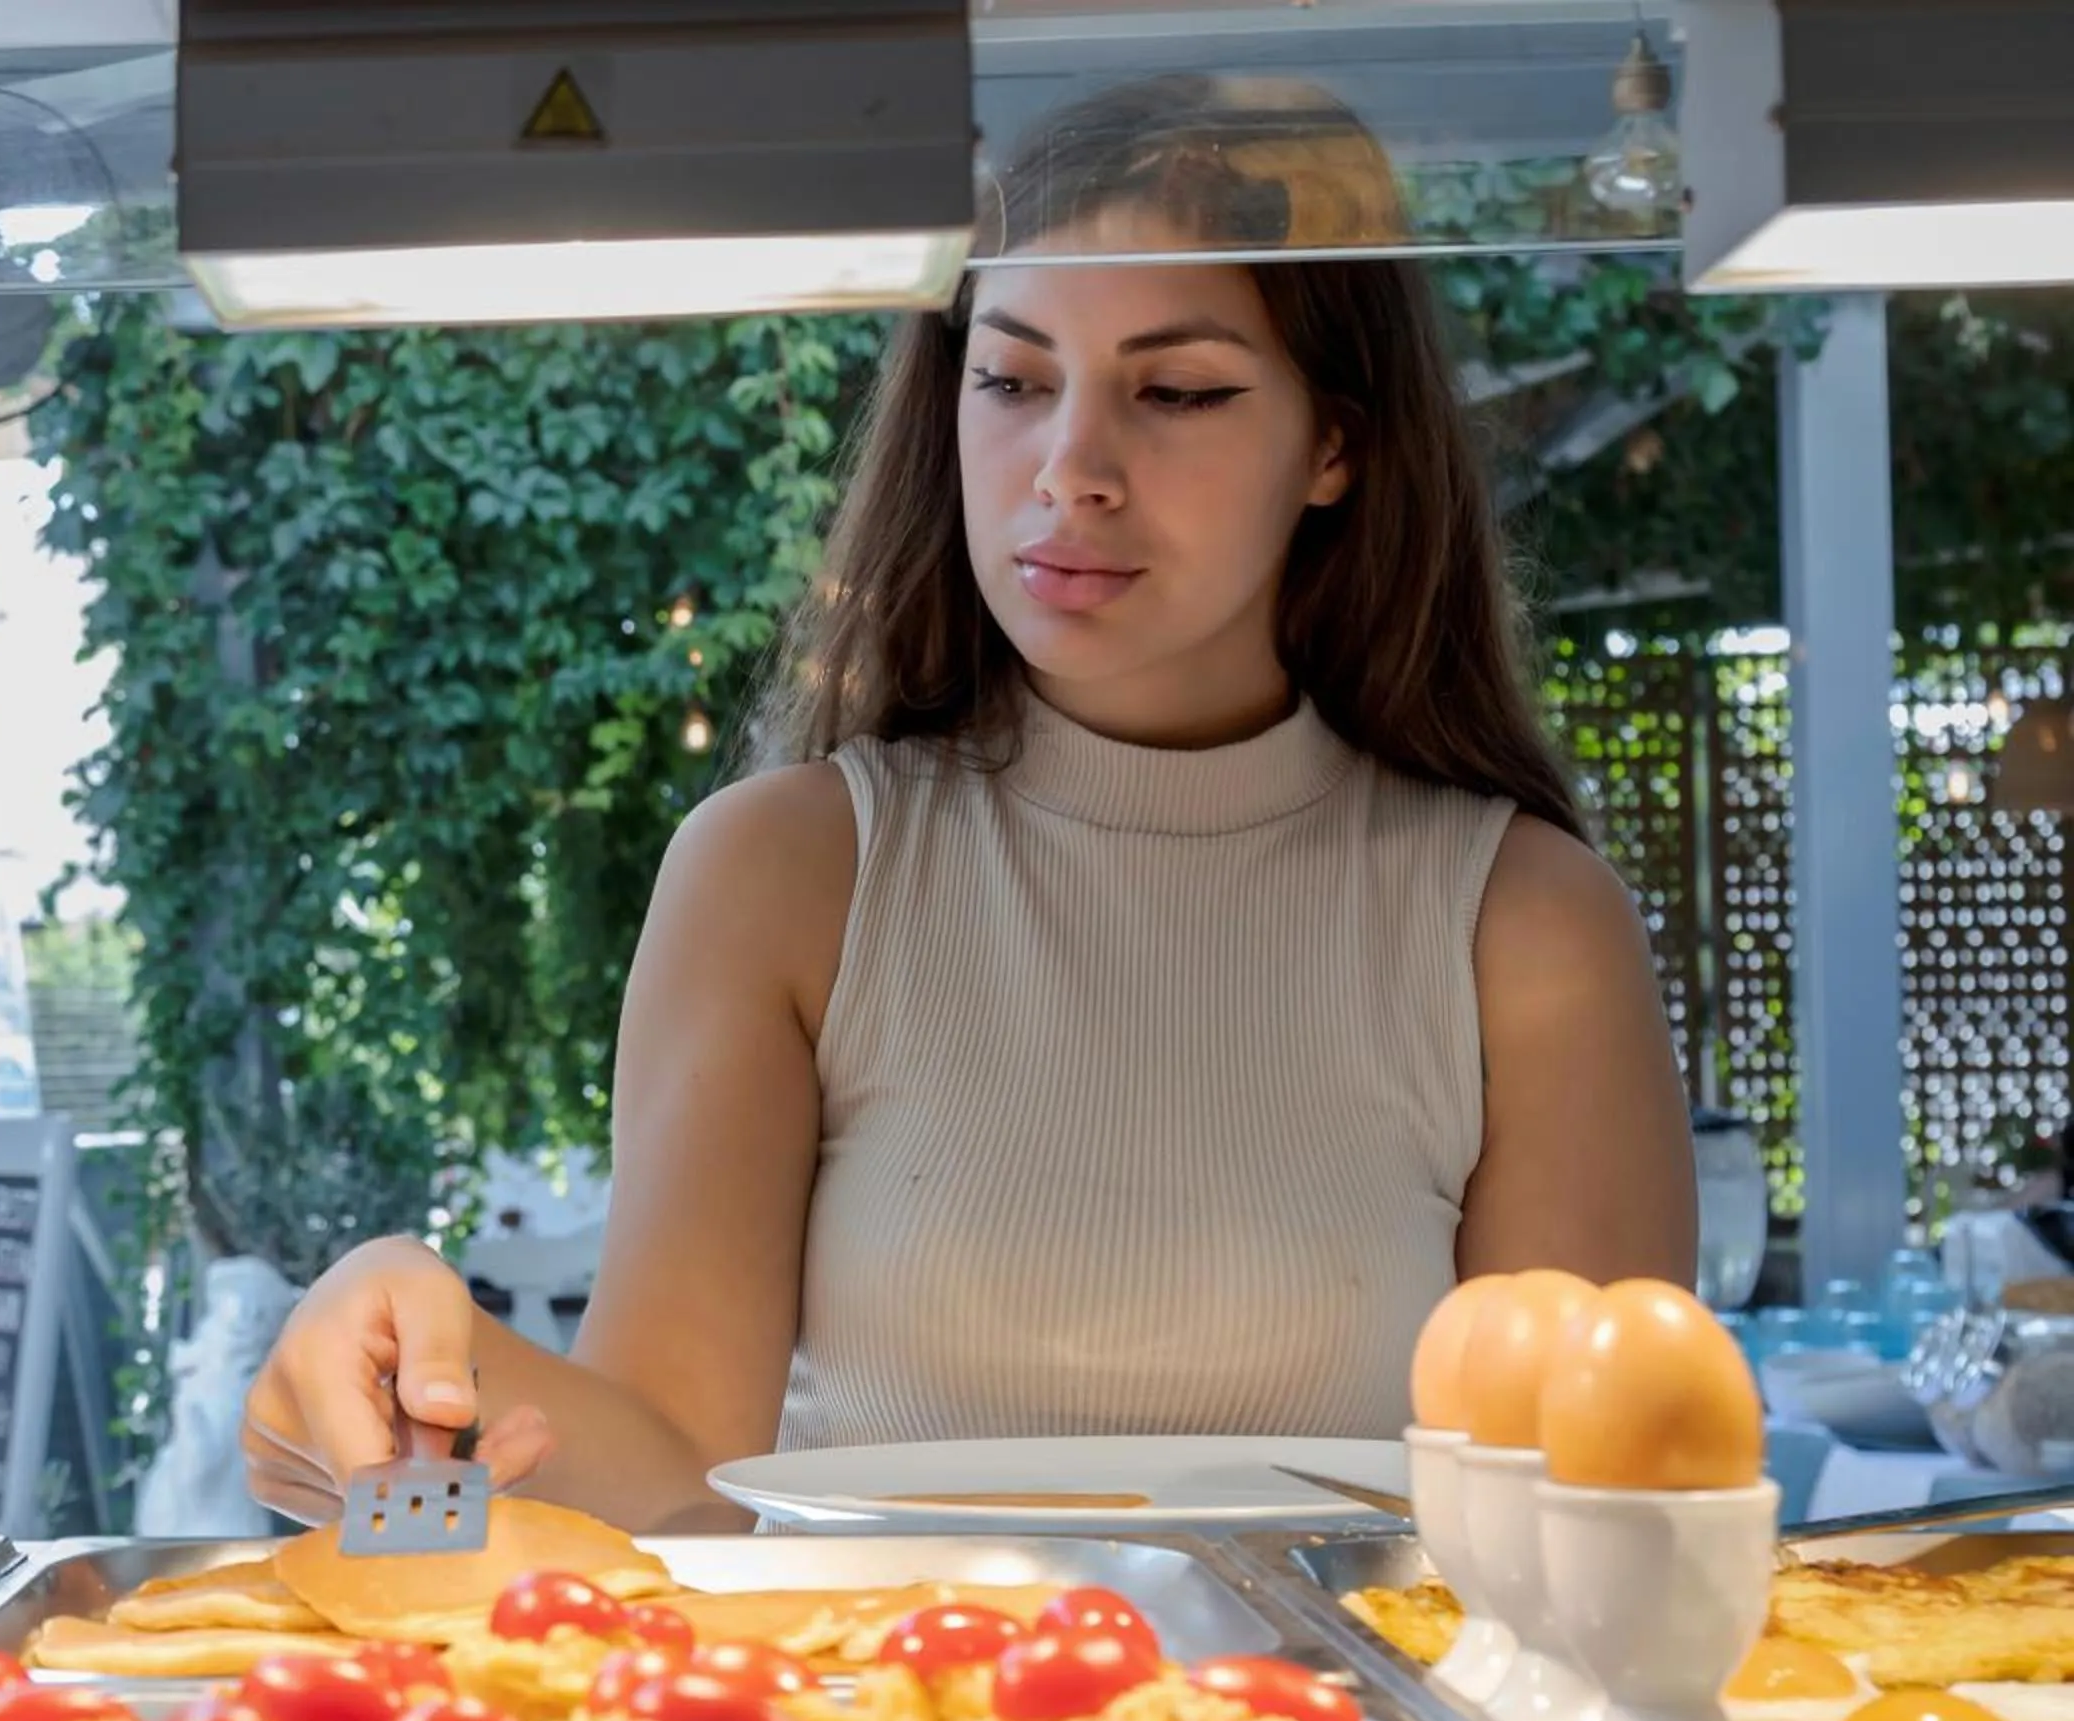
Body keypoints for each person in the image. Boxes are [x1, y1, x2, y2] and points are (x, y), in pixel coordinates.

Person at [243, 74, 1697, 1533]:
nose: (1071, 472)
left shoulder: (1524, 928)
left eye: (1178, 391)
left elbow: (1596, 1529)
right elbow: (674, 1486)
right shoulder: (783, 873)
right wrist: (402, 1354)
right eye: (1009, 380)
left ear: (1338, 445)